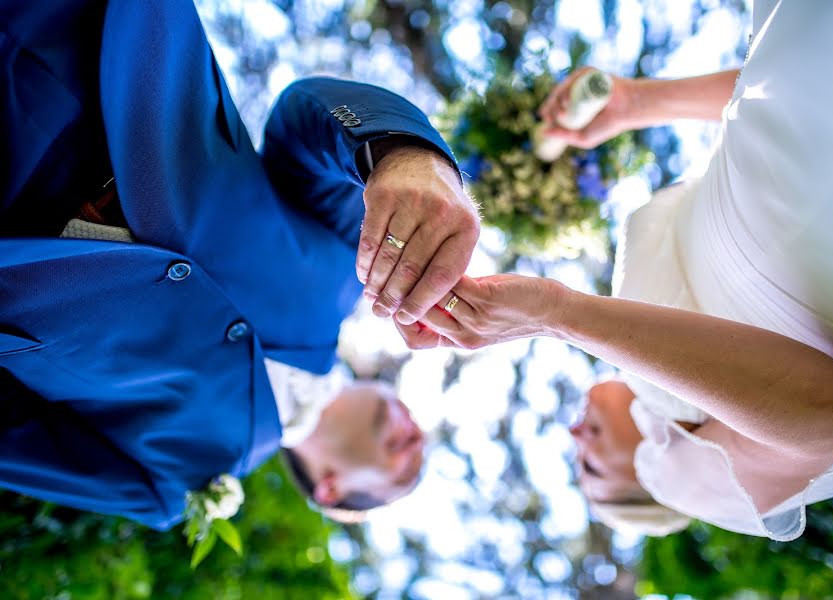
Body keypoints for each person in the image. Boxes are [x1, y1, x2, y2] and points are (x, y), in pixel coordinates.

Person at [397, 0, 833, 541]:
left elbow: (761, 108)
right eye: (589, 471)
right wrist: (557, 315)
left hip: (814, 79)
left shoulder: (634, 336)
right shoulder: (676, 479)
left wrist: (637, 103)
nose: (573, 437)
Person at [0, 0, 478, 529]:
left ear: (331, 493)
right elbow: (304, 117)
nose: (418, 442)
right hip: (86, 52)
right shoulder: (351, 266)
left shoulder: (176, 485)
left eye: (405, 477)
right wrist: (403, 153)